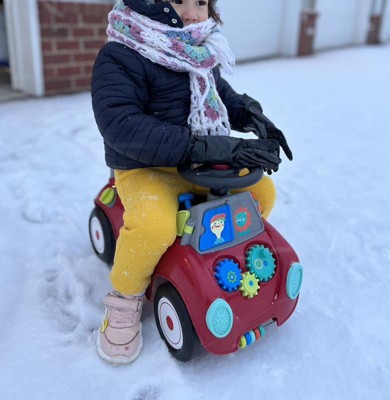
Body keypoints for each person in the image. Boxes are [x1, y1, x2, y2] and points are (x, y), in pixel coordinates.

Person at [91, 0, 292, 365]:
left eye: (200, 2)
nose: (191, 12)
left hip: (196, 162)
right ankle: (125, 298)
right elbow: (120, 124)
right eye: (177, 0)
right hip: (143, 167)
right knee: (155, 223)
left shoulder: (200, 51)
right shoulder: (120, 53)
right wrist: (207, 145)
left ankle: (219, 251)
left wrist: (255, 117)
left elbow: (223, 97)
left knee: (262, 191)